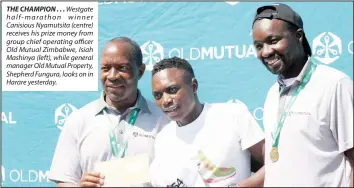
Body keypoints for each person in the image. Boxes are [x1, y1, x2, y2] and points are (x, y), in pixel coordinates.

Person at [252, 3, 353, 187]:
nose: (265, 52)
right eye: (259, 45)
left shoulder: (334, 84)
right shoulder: (272, 94)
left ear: (298, 36)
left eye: (273, 40)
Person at [48, 37, 166, 187]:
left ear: (140, 71)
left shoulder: (163, 119)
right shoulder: (78, 120)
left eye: (122, 68)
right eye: (105, 68)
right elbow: (65, 180)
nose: (112, 76)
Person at [149, 57, 265, 187]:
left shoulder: (232, 115)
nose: (166, 100)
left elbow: (273, 164)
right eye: (158, 95)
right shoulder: (163, 139)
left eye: (172, 90)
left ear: (194, 86)